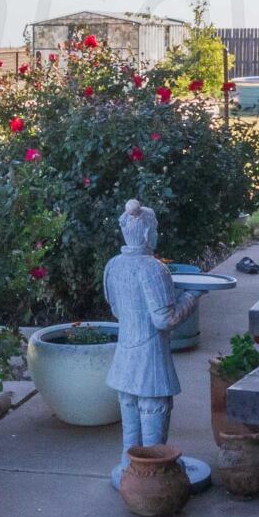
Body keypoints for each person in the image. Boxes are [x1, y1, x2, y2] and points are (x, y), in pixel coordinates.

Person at [101, 200, 191, 487]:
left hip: (125, 357)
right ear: (145, 233)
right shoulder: (154, 269)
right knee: (154, 415)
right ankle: (153, 476)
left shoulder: (113, 266)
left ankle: (130, 472)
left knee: (130, 422)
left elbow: (115, 309)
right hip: (150, 359)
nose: (156, 235)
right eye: (154, 229)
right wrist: (192, 297)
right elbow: (164, 319)